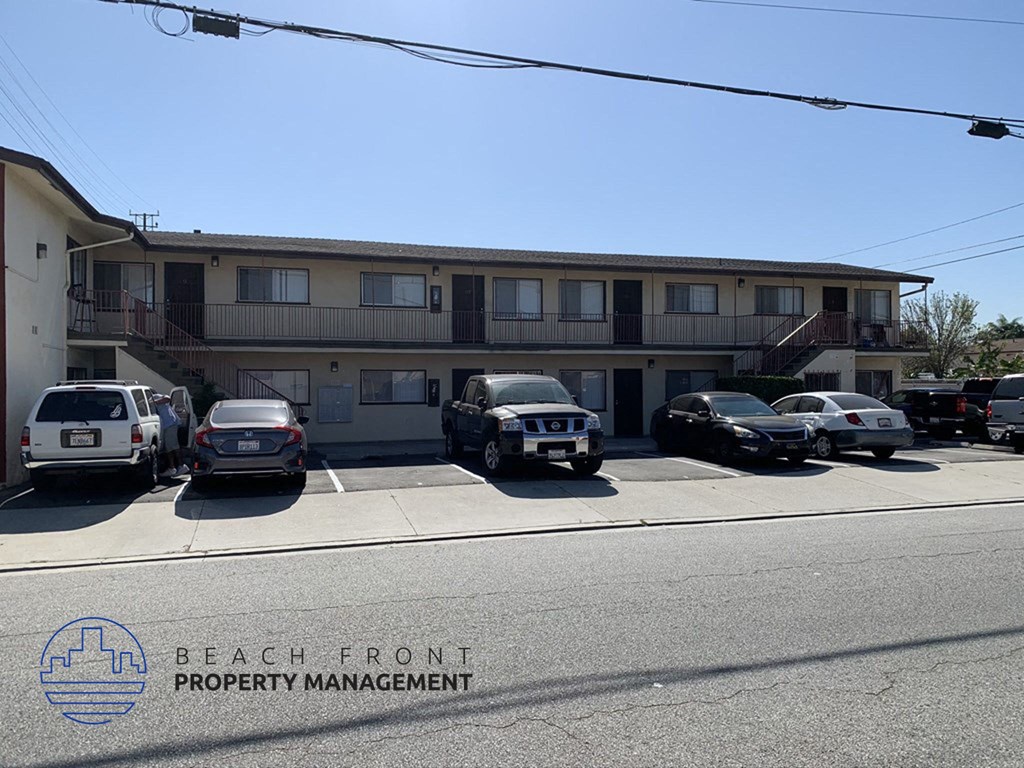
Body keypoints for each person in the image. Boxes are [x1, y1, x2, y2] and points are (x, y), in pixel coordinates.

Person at [154, 394, 187, 478]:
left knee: (172, 447)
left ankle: (175, 467)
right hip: (167, 425)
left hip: (169, 424)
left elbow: (167, 398)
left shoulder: (155, 397)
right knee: (171, 446)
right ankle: (177, 466)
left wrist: (155, 402)